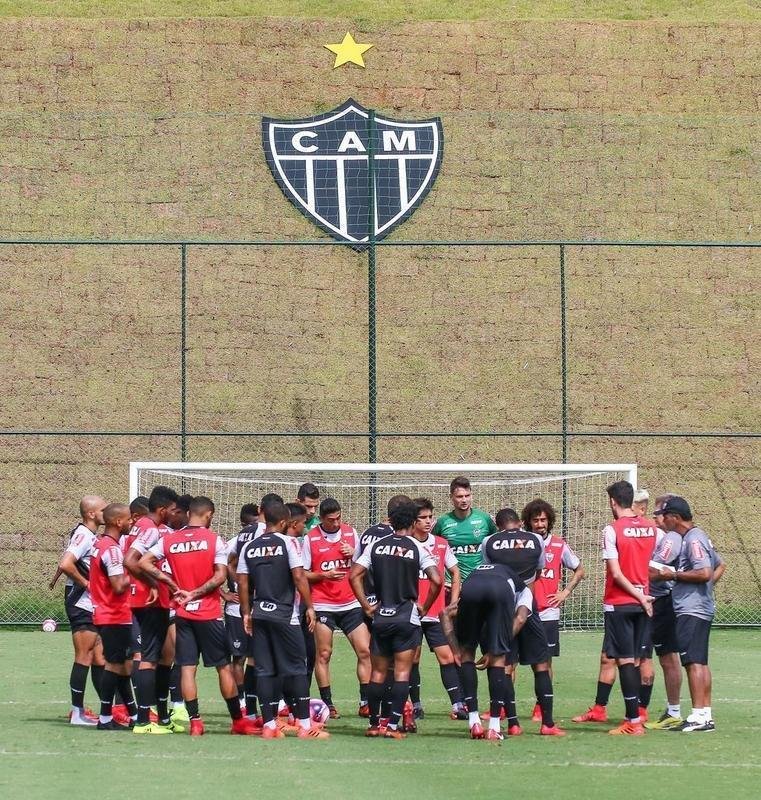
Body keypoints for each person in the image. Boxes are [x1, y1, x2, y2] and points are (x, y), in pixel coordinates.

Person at [139, 495, 257, 736]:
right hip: (208, 614)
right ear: (209, 515)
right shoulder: (214, 541)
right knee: (223, 667)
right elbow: (220, 577)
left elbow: (143, 562)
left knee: (187, 669)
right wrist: (195, 593)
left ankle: (195, 723)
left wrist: (172, 585)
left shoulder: (169, 540)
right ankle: (237, 721)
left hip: (182, 613)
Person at [349, 500, 442, 739]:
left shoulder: (377, 546)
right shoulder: (417, 548)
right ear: (412, 522)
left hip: (381, 616)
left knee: (378, 672)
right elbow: (437, 580)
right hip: (406, 616)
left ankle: (373, 725)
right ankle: (391, 727)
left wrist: (366, 606)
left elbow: (354, 575)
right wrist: (424, 606)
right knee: (402, 673)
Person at [237, 500, 329, 740]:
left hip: (259, 613)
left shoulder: (251, 546)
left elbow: (243, 582)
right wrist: (309, 607)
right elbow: (299, 576)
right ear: (285, 522)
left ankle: (269, 725)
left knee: (264, 670)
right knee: (298, 666)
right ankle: (305, 726)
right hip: (284, 614)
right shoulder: (288, 543)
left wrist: (246, 613)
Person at [480, 507, 564, 736]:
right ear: (518, 523)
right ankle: (547, 723)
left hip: (501, 609)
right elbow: (538, 572)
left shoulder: (488, 542)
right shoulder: (536, 540)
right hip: (528, 605)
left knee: (505, 666)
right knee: (541, 665)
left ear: (498, 527)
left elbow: (490, 571)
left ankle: (513, 723)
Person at [658, 496, 724, 732]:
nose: (662, 520)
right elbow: (720, 564)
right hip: (699, 606)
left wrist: (673, 575)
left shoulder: (693, 539)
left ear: (675, 517)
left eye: (664, 515)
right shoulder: (699, 535)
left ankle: (698, 717)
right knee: (700, 662)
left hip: (692, 610)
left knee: (693, 662)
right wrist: (706, 591)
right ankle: (705, 713)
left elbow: (705, 571)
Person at [447, 562, 533, 740]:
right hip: (499, 590)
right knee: (498, 659)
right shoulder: (525, 590)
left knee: (467, 654)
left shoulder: (477, 571)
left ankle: (474, 721)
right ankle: (494, 726)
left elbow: (444, 614)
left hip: (471, 587)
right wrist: (496, 649)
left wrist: (456, 650)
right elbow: (522, 618)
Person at [304, 497, 371, 719]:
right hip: (323, 604)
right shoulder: (311, 539)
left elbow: (364, 565)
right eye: (331, 520)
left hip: (350, 603)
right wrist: (323, 575)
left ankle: (366, 701)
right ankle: (328, 704)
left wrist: (354, 554)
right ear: (321, 519)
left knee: (365, 650)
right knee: (324, 653)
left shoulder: (351, 534)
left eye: (339, 518)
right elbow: (302, 574)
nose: (336, 523)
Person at [599, 480, 657, 736]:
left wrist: (637, 595)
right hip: (645, 602)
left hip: (620, 603)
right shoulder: (652, 528)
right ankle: (635, 716)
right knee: (636, 660)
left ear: (613, 502)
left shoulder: (611, 530)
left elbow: (616, 573)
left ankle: (633, 722)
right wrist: (644, 595)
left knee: (624, 660)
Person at [123, 484, 180, 733]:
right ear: (161, 509)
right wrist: (154, 582)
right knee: (148, 659)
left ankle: (161, 717)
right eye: (172, 510)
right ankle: (144, 721)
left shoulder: (143, 527)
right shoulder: (149, 528)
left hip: (145, 599)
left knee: (157, 657)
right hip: (149, 600)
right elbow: (130, 560)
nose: (173, 514)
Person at [524, 499, 585, 722]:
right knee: (514, 660)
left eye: (543, 520)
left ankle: (541, 706)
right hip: (524, 610)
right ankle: (501, 707)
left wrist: (565, 592)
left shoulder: (559, 544)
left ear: (549, 521)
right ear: (528, 522)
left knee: (545, 661)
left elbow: (579, 569)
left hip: (548, 612)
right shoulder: (524, 543)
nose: (540, 524)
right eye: (535, 520)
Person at [408, 497, 467, 723]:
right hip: (412, 612)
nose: (428, 521)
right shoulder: (406, 544)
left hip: (435, 612)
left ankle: (458, 704)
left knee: (447, 656)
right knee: (413, 658)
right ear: (413, 521)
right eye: (422, 518)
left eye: (430, 517)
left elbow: (456, 572)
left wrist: (452, 603)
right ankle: (415, 705)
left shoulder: (441, 544)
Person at [56, 494, 107, 726]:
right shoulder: (84, 534)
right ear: (91, 514)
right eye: (103, 510)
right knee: (84, 656)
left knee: (98, 657)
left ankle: (107, 709)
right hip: (81, 603)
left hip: (89, 603)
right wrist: (87, 584)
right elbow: (66, 563)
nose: (106, 513)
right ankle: (77, 712)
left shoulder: (88, 534)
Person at [89, 503, 139, 730]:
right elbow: (118, 585)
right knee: (114, 665)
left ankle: (134, 714)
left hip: (111, 614)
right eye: (128, 519)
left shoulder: (102, 545)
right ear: (118, 522)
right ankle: (105, 718)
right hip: (113, 615)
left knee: (122, 666)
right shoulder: (112, 550)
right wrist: (137, 572)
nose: (131, 522)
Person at [643, 493, 688, 730]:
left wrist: (632, 569)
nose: (655, 518)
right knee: (665, 658)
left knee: (667, 658)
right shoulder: (670, 536)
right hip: (662, 600)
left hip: (662, 602)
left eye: (658, 513)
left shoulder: (672, 537)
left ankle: (671, 711)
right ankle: (671, 711)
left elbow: (655, 568)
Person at [433, 477, 497, 589]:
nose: (464, 500)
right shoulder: (442, 522)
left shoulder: (484, 519)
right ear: (451, 497)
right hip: (451, 585)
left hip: (480, 581)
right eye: (459, 496)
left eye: (467, 495)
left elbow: (496, 543)